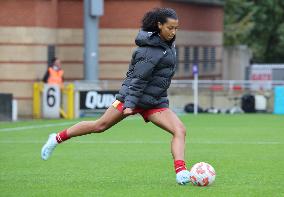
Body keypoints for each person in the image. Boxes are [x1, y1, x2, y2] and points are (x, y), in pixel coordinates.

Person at [41, 8, 191, 185]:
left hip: (154, 101)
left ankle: (181, 172)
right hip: (132, 97)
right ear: (159, 25)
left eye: (176, 28)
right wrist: (129, 104)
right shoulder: (149, 50)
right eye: (170, 28)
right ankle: (56, 138)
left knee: (179, 130)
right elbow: (137, 80)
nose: (173, 32)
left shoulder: (167, 44)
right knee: (99, 126)